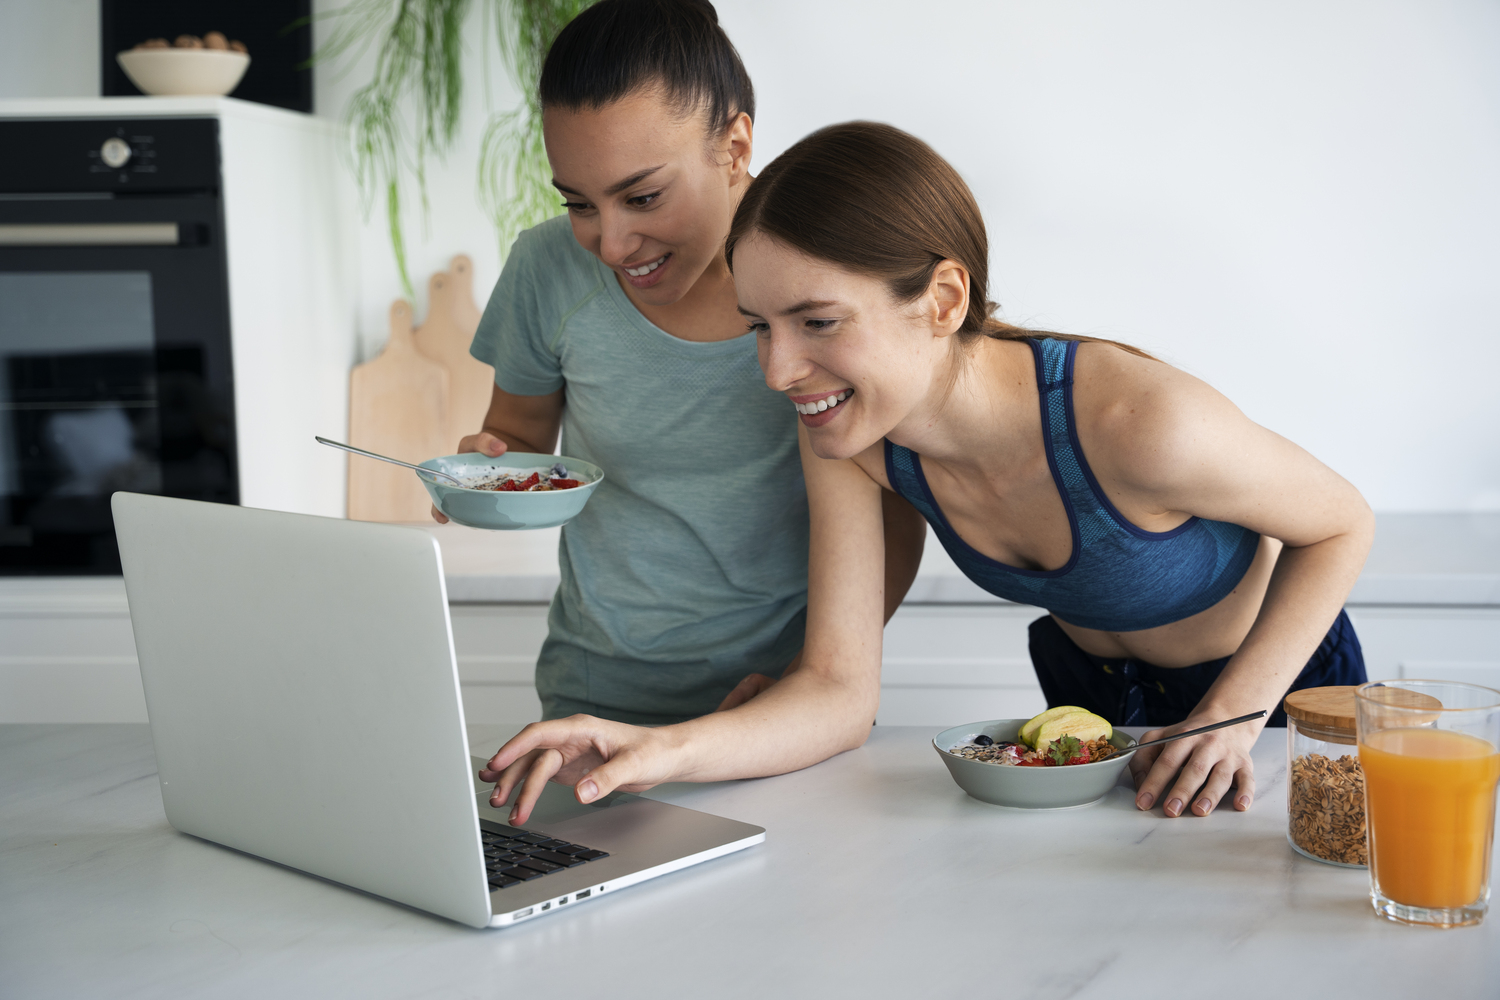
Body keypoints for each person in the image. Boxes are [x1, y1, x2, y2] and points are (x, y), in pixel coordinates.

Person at [719, 121, 1374, 820]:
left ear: (943, 300)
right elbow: (834, 681)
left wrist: (1232, 718)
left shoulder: (1141, 422)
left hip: (1269, 688)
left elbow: (1342, 524)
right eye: (759, 325)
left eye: (816, 321)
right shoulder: (852, 434)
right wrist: (715, 732)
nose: (776, 371)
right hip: (1087, 694)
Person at [451, 2, 924, 823]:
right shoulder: (546, 272)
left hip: (778, 713)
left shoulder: (817, 295)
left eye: (641, 196)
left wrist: (822, 670)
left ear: (736, 147)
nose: (609, 242)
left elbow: (898, 509)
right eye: (580, 202)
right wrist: (488, 470)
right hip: (591, 704)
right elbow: (524, 441)